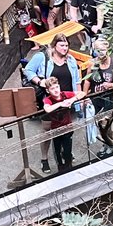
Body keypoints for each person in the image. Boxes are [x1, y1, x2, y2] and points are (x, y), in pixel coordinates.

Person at [37, 33, 83, 173]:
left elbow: (77, 81)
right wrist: (40, 82)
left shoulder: (71, 59)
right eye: (62, 45)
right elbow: (28, 71)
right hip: (51, 99)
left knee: (66, 127)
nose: (65, 48)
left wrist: (77, 99)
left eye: (66, 45)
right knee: (47, 131)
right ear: (54, 45)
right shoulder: (43, 57)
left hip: (67, 98)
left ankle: (66, 153)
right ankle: (44, 158)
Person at [83, 38, 113, 159]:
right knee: (99, 124)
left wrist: (112, 85)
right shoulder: (92, 63)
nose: (100, 53)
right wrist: (85, 96)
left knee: (106, 124)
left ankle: (112, 144)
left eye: (102, 50)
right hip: (96, 98)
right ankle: (107, 143)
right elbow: (87, 80)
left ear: (108, 50)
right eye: (97, 50)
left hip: (110, 98)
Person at [37, 74, 77, 174]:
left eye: (57, 87)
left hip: (68, 128)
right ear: (48, 91)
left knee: (68, 151)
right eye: (52, 88)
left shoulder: (64, 94)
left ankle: (69, 168)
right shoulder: (48, 99)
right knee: (57, 152)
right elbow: (47, 109)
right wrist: (60, 104)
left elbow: (81, 93)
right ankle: (61, 170)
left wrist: (71, 100)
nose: (55, 90)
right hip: (56, 131)